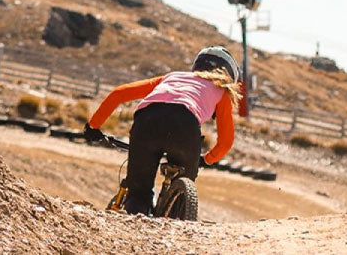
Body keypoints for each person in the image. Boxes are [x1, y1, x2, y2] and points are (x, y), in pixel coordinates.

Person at [84, 46, 242, 215]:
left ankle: (134, 221)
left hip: (147, 122)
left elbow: (118, 94)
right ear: (229, 75)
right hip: (185, 126)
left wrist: (93, 126)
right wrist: (207, 160)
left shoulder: (172, 77)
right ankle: (176, 218)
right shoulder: (222, 91)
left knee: (139, 192)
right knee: (181, 194)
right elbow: (226, 142)